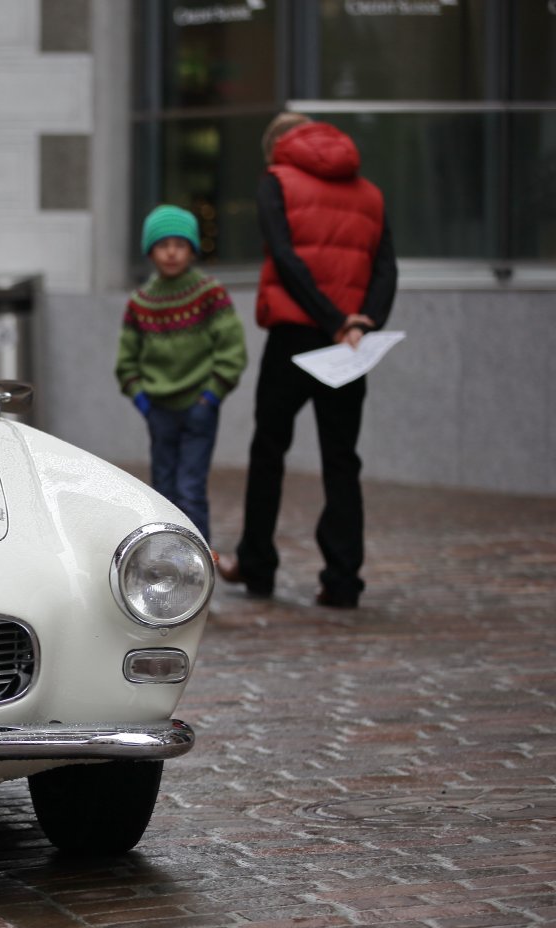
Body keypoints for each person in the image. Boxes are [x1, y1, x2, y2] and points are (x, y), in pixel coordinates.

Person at [217, 113, 396, 609]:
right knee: (342, 459)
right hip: (350, 345)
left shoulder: (275, 181)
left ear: (278, 145)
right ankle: (343, 581)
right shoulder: (371, 193)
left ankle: (256, 566)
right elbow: (386, 268)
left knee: (268, 450)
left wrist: (331, 320)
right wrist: (361, 325)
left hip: (295, 336)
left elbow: (285, 257)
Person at [116, 205, 246, 545]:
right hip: (158, 410)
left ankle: (197, 559)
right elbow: (126, 362)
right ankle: (166, 558)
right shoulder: (141, 302)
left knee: (190, 488)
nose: (172, 252)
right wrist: (143, 402)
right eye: (163, 245)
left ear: (192, 250)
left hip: (199, 407)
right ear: (150, 251)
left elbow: (232, 350)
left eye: (180, 244)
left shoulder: (209, 293)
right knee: (163, 491)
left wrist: (211, 396)